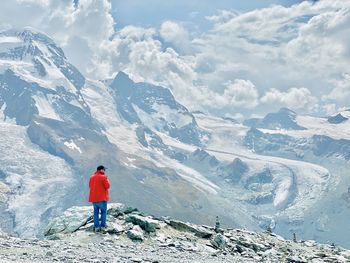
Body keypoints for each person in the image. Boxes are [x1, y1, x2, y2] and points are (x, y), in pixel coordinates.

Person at [89, 165, 110, 232]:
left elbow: (90, 186)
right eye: (104, 170)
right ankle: (103, 226)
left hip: (94, 199)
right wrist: (106, 179)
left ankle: (96, 227)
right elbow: (108, 186)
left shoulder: (91, 177)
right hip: (102, 198)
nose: (104, 171)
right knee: (103, 212)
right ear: (101, 170)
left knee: (96, 213)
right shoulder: (103, 177)